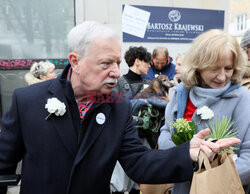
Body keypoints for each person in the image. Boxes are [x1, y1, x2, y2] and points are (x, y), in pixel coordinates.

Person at [0, 22, 240, 194]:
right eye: (106, 63)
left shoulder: (118, 108)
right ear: (75, 61)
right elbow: (3, 166)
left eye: (117, 62)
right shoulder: (27, 100)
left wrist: (186, 153)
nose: (116, 72)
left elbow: (139, 162)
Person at [158, 29, 250, 194]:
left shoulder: (243, 99)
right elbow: (165, 134)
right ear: (198, 66)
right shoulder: (181, 93)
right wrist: (186, 159)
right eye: (214, 69)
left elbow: (248, 159)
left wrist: (205, 180)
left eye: (228, 68)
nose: (222, 77)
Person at [111, 46, 151, 194]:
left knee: (140, 182)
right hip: (125, 140)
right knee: (121, 184)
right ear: (137, 61)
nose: (149, 65)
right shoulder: (119, 83)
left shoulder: (151, 83)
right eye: (146, 61)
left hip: (146, 138)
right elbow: (115, 110)